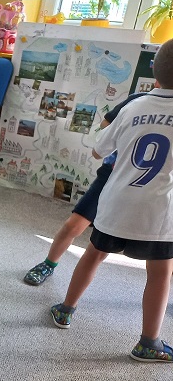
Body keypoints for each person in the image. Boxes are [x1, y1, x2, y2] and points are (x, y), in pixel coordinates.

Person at [49, 39, 173, 362]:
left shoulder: (133, 106)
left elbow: (97, 150)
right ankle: (148, 342)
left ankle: (65, 310)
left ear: (155, 74)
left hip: (116, 203)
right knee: (160, 273)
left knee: (94, 254)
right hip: (159, 214)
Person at [23, 90, 151, 286]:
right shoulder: (137, 99)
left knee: (158, 249)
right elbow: (105, 124)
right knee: (74, 225)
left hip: (151, 187)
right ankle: (48, 264)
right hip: (112, 174)